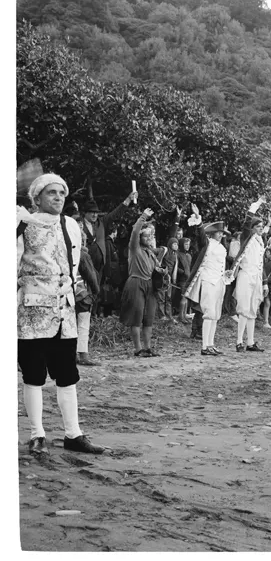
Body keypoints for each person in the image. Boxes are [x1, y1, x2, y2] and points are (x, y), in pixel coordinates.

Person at [17, 173, 105, 455]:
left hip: (64, 313)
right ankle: (37, 435)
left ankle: (73, 434)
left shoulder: (71, 225)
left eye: (61, 193)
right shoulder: (22, 223)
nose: (58, 198)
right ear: (37, 198)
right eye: (51, 193)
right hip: (31, 313)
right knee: (33, 375)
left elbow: (75, 263)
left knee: (67, 375)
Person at [184, 205, 233, 356]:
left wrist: (226, 274)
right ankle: (204, 346)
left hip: (219, 282)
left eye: (221, 233)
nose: (220, 235)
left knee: (216, 315)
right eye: (218, 232)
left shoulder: (222, 248)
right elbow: (200, 235)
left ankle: (211, 344)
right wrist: (199, 220)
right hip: (207, 281)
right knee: (208, 313)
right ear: (212, 233)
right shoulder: (207, 244)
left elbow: (220, 265)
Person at [120, 208, 164, 357]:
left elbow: (156, 268)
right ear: (140, 236)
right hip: (135, 283)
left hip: (149, 285)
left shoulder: (150, 252)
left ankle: (148, 348)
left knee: (149, 318)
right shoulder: (134, 248)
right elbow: (134, 232)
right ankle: (138, 349)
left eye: (151, 235)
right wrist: (144, 217)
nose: (149, 237)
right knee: (136, 316)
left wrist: (162, 271)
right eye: (146, 235)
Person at [233, 197, 269, 352]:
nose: (261, 228)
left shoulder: (260, 242)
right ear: (252, 227)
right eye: (258, 226)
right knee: (243, 309)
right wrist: (259, 203)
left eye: (262, 226)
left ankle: (251, 342)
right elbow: (248, 219)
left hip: (256, 277)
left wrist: (264, 282)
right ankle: (239, 341)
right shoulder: (247, 237)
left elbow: (261, 265)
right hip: (245, 275)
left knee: (253, 309)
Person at [81, 190, 137, 284]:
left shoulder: (101, 223)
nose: (95, 215)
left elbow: (115, 214)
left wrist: (128, 199)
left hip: (100, 268)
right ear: (85, 213)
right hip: (85, 265)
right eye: (92, 212)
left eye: (96, 212)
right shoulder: (78, 225)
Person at [75, 227, 101, 366]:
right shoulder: (83, 255)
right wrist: (96, 292)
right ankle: (83, 354)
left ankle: (73, 354)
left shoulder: (65, 252)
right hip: (83, 294)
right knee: (83, 325)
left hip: (68, 293)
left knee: (71, 326)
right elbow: (91, 276)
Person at [174, 237, 192, 324]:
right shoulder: (178, 254)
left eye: (188, 244)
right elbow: (175, 267)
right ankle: (180, 316)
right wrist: (183, 272)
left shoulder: (188, 255)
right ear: (181, 245)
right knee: (183, 297)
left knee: (186, 298)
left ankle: (184, 315)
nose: (187, 246)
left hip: (188, 279)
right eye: (186, 244)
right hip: (181, 279)